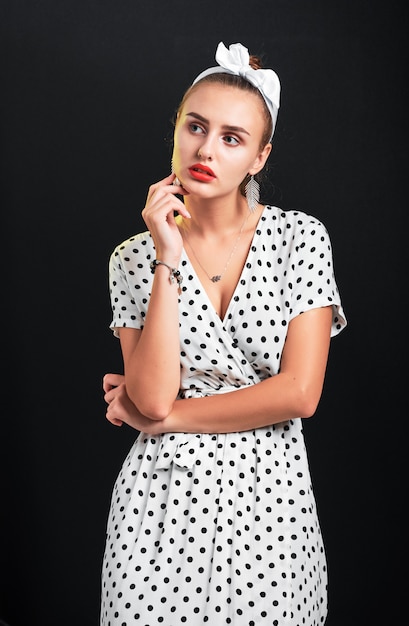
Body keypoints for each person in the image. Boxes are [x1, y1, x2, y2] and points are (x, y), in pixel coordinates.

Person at [100, 41, 347, 626]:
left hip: (271, 501)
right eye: (196, 127)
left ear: (259, 158)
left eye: (232, 138)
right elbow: (155, 394)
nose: (206, 150)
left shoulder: (301, 240)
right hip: (158, 504)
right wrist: (167, 254)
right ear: (178, 131)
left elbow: (299, 394)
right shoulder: (132, 258)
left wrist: (163, 419)